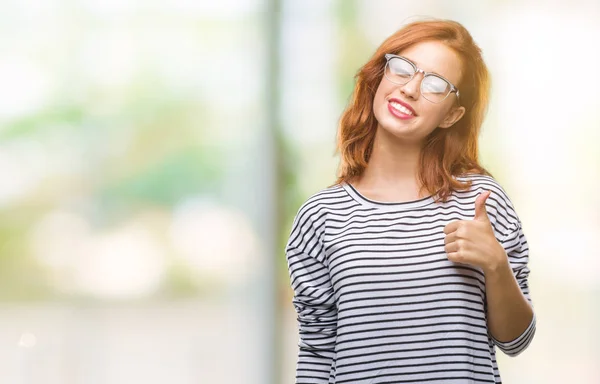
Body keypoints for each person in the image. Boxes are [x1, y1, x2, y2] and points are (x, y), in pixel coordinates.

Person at [285, 18, 536, 383]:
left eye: (436, 84)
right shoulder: (321, 217)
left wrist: (496, 264)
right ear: (379, 77)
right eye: (402, 69)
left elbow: (517, 340)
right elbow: (317, 354)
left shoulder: (481, 201)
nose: (411, 89)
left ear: (452, 114)